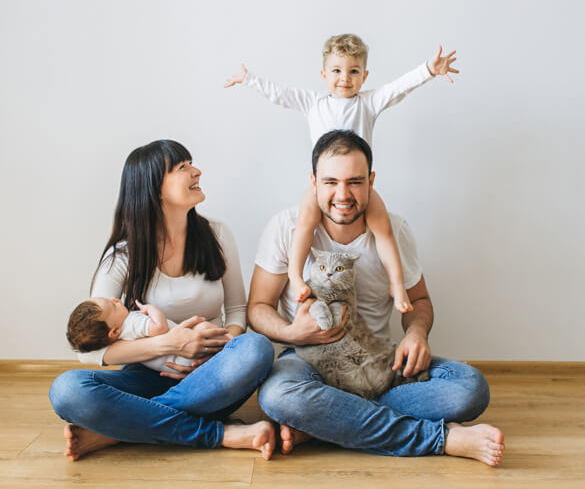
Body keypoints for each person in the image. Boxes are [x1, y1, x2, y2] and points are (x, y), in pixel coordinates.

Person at [247, 130, 505, 466]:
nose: (343, 194)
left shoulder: (394, 230)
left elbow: (420, 301)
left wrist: (416, 334)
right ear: (313, 182)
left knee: (469, 388)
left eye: (354, 181)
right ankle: (441, 438)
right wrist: (293, 333)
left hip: (375, 363)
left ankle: (325, 423)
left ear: (371, 181)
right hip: (306, 360)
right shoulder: (285, 226)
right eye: (331, 182)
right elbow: (258, 308)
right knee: (279, 396)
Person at [49, 139, 276, 461]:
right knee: (67, 389)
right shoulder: (123, 256)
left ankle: (120, 430)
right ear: (154, 188)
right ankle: (217, 433)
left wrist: (215, 352)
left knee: (257, 348)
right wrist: (171, 344)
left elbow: (238, 310)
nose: (196, 171)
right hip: (144, 373)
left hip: (210, 374)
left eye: (191, 163)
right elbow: (90, 352)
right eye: (183, 167)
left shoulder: (218, 234)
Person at [225, 33, 458, 313]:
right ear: (324, 74)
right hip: (323, 188)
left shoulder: (368, 103)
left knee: (383, 229)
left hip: (359, 185)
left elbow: (398, 88)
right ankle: (296, 276)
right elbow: (281, 94)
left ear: (364, 75)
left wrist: (429, 70)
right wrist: (249, 78)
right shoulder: (313, 103)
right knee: (304, 223)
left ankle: (397, 284)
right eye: (336, 70)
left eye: (353, 71)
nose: (344, 78)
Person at [66, 297, 195, 373]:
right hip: (186, 357)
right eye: (113, 306)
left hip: (178, 365)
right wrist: (151, 308)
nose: (115, 299)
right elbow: (160, 328)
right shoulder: (131, 323)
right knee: (204, 328)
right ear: (114, 332)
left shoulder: (118, 338)